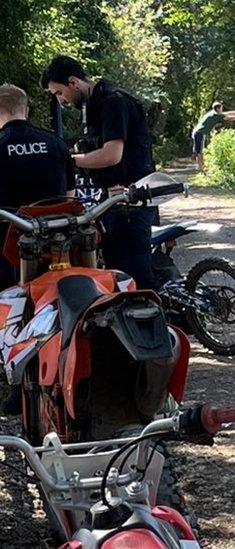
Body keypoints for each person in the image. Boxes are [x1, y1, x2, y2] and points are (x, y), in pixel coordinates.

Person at [41, 55, 158, 291]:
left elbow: (111, 155)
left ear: (73, 82)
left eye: (59, 93)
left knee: (133, 281)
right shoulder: (93, 106)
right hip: (113, 199)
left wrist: (69, 161)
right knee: (114, 273)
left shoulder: (113, 102)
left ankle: (154, 324)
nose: (61, 100)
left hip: (130, 201)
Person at [0, 83, 75, 415]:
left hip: (8, 250)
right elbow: (72, 199)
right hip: (57, 247)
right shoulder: (55, 144)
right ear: (26, 109)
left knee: (13, 315)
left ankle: (17, 389)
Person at [191, 101, 235, 172]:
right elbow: (230, 118)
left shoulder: (214, 113)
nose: (222, 109)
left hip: (198, 133)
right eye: (221, 108)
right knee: (199, 152)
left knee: (199, 151)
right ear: (218, 108)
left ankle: (202, 168)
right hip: (199, 133)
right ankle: (202, 169)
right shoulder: (216, 115)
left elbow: (227, 113)